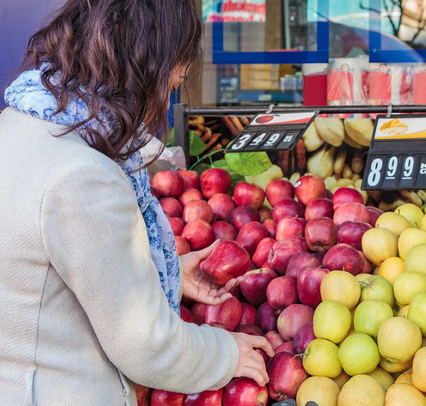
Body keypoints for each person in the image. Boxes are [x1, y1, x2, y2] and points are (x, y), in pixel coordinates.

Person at [0, 1, 272, 405]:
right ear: (143, 71)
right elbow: (146, 345)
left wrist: (169, 274)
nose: (165, 104)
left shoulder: (21, 123)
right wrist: (227, 353)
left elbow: (53, 279)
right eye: (169, 84)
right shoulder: (83, 174)